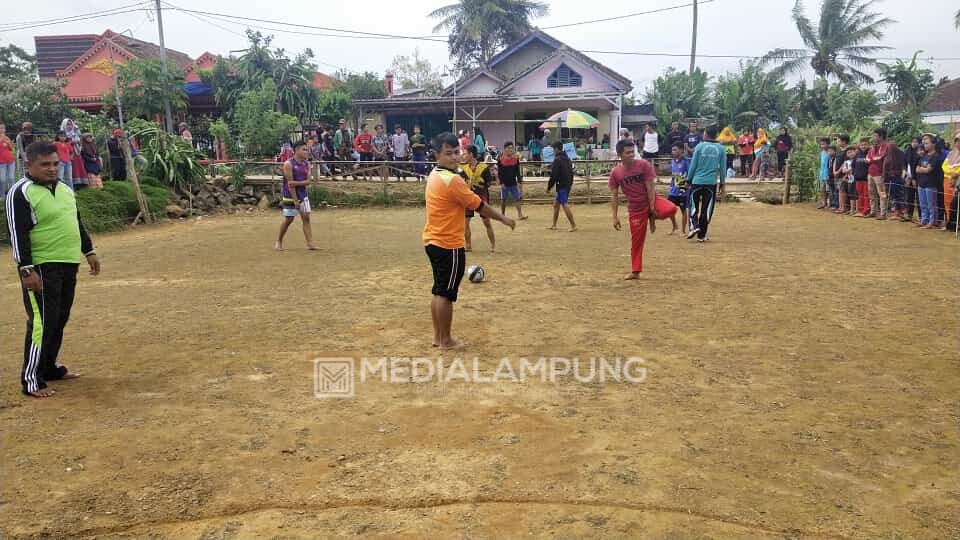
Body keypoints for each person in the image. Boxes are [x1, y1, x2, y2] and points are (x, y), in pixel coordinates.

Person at [6, 141, 101, 397]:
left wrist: (88, 251)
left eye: (55, 164)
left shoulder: (66, 190)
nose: (52, 169)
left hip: (67, 262)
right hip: (40, 266)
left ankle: (48, 368)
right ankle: (31, 379)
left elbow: (76, 222)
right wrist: (27, 269)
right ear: (29, 165)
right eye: (45, 164)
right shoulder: (20, 192)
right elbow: (18, 234)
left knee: (59, 318)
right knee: (41, 322)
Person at [423, 132, 515, 350]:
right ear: (437, 155)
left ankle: (438, 337)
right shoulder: (452, 180)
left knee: (439, 291)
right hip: (449, 245)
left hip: (433, 241)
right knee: (446, 294)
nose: (455, 157)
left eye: (457, 152)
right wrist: (503, 218)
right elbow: (479, 205)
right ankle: (446, 340)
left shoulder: (435, 174)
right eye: (449, 153)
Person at [608, 139, 659, 280]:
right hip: (635, 209)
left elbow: (650, 187)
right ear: (620, 155)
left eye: (633, 152)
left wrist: (652, 207)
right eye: (628, 152)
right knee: (636, 241)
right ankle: (635, 270)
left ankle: (652, 218)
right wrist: (614, 216)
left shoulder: (644, 165)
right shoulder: (616, 173)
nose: (631, 155)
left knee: (671, 210)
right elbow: (614, 195)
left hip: (652, 200)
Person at [274, 141, 317, 250]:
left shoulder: (306, 163)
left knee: (306, 218)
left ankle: (310, 243)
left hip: (303, 194)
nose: (306, 152)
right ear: (297, 150)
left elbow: (307, 181)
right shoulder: (288, 164)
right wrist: (295, 200)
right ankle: (279, 241)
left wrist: (297, 183)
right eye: (304, 149)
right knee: (289, 219)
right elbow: (290, 185)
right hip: (290, 195)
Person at [685, 125, 725, 241]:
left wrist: (688, 180)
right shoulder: (721, 149)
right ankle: (702, 235)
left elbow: (693, 165)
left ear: (706, 134)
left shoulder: (699, 147)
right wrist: (722, 183)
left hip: (696, 181)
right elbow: (722, 168)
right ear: (716, 135)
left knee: (693, 205)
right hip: (711, 183)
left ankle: (694, 226)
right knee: (707, 209)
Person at [461, 145, 496, 252]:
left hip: (482, 197)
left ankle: (493, 245)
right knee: (465, 222)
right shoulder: (464, 169)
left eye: (465, 153)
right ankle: (468, 245)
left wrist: (481, 183)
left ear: (471, 154)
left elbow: (489, 182)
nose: (463, 155)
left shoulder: (483, 167)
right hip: (468, 198)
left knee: (487, 222)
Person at [546, 140, 577, 231]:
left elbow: (554, 176)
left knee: (564, 204)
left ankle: (573, 225)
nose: (552, 151)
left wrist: (549, 187)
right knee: (556, 204)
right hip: (566, 184)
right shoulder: (567, 158)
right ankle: (554, 225)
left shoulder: (557, 160)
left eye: (553, 149)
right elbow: (571, 173)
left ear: (556, 149)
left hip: (562, 185)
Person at [916, 134, 943, 229]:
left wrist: (923, 169)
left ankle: (932, 222)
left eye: (927, 143)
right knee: (923, 204)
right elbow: (917, 169)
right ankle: (924, 220)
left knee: (931, 205)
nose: (925, 145)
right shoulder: (923, 156)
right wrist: (924, 169)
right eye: (924, 143)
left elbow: (928, 170)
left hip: (930, 184)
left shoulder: (935, 156)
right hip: (921, 183)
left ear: (933, 144)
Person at [497, 142, 526, 220]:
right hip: (505, 183)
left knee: (517, 198)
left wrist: (519, 181)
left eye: (511, 148)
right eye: (509, 148)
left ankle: (520, 215)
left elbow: (517, 171)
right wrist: (501, 182)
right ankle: (502, 215)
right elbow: (499, 172)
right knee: (503, 200)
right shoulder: (500, 159)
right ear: (505, 149)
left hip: (513, 182)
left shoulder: (515, 159)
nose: (510, 149)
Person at [865, 127, 889, 219]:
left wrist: (871, 159)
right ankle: (873, 211)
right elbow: (867, 159)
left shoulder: (886, 146)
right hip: (870, 173)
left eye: (875, 135)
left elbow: (879, 158)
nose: (873, 137)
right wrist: (872, 159)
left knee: (881, 193)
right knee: (871, 193)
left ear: (881, 136)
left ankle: (883, 213)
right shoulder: (873, 147)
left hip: (879, 173)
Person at [667, 143, 690, 235]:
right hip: (673, 190)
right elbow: (672, 175)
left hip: (682, 190)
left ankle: (683, 231)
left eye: (675, 150)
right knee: (669, 209)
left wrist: (687, 184)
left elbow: (689, 173)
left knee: (683, 210)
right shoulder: (672, 161)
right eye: (672, 150)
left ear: (681, 150)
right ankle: (675, 226)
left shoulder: (686, 161)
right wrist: (671, 185)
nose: (673, 152)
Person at [884, 141, 906, 219]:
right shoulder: (887, 155)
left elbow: (904, 167)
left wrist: (902, 178)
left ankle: (904, 213)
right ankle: (897, 213)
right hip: (890, 178)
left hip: (898, 178)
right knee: (894, 196)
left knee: (900, 196)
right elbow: (885, 168)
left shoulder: (901, 154)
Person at [943, 132, 960, 232]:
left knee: (956, 203)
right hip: (947, 180)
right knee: (947, 202)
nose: (958, 143)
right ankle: (950, 223)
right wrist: (951, 173)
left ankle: (957, 223)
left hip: (958, 180)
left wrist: (955, 174)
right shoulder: (951, 153)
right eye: (957, 141)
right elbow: (944, 166)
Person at [903, 136, 921, 223]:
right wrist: (906, 175)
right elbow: (905, 163)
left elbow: (917, 166)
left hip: (917, 178)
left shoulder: (920, 152)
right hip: (908, 178)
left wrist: (914, 178)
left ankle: (921, 217)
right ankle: (909, 215)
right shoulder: (907, 151)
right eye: (913, 141)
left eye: (916, 141)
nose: (914, 143)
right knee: (909, 197)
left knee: (918, 198)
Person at [837, 146, 857, 215]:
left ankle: (853, 209)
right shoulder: (846, 162)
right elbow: (843, 170)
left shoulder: (856, 160)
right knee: (849, 194)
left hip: (855, 179)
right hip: (849, 179)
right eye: (848, 153)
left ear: (855, 152)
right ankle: (849, 208)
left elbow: (853, 170)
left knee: (854, 195)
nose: (850, 154)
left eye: (851, 152)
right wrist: (848, 171)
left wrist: (848, 170)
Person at [853, 138, 871, 216]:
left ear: (868, 145)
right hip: (858, 178)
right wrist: (855, 173)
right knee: (860, 194)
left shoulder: (870, 153)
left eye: (865, 145)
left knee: (866, 194)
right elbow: (853, 165)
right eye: (862, 145)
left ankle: (866, 210)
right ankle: (860, 210)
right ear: (859, 145)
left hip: (866, 178)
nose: (863, 146)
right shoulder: (857, 154)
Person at [0, 122, 15, 195]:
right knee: (2, 180)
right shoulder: (3, 138)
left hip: (10, 161)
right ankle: (2, 195)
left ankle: (12, 194)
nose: (2, 130)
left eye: (3, 128)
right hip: (1, 163)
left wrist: (9, 142)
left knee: (11, 179)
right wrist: (1, 139)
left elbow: (11, 149)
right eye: (1, 128)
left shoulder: (7, 138)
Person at [816, 139, 830, 209]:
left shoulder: (830, 153)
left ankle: (828, 203)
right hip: (822, 173)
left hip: (828, 173)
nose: (822, 146)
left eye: (824, 144)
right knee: (822, 189)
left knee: (828, 190)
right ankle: (823, 203)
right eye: (821, 144)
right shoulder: (822, 153)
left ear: (828, 144)